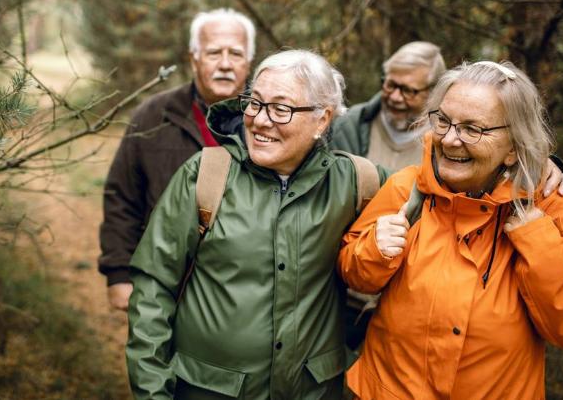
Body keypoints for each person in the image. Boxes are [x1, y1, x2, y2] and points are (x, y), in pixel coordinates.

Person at [126, 50, 391, 399]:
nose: (261, 120)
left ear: (322, 120)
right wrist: (153, 393)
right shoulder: (206, 175)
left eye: (281, 109)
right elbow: (152, 290)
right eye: (254, 102)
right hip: (208, 391)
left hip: (315, 391)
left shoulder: (360, 183)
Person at [337, 61, 563, 399]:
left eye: (472, 129)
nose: (450, 140)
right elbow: (354, 273)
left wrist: (537, 239)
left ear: (512, 148)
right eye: (444, 122)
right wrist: (375, 249)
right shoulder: (407, 189)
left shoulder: (548, 206)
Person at [98, 8, 256, 311]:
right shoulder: (153, 116)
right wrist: (118, 274)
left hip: (243, 292)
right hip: (164, 281)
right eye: (213, 53)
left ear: (249, 62)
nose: (225, 64)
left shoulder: (267, 122)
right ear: (193, 58)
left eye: (235, 54)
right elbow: (122, 196)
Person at [331, 41, 445, 172]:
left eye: (408, 90)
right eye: (390, 85)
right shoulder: (348, 126)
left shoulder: (444, 140)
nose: (395, 97)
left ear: (433, 93)